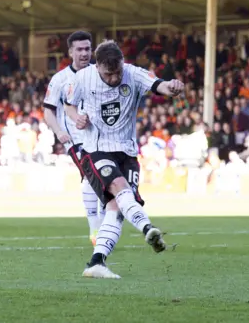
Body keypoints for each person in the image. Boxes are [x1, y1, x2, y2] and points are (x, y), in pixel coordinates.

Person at [66, 40, 184, 279]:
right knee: (120, 188)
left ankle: (96, 262)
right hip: (95, 149)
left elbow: (158, 84)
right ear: (97, 67)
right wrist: (77, 117)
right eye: (109, 74)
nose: (115, 78)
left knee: (116, 208)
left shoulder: (132, 73)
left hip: (127, 151)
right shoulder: (82, 78)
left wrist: (171, 86)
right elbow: (68, 105)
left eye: (118, 72)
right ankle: (148, 228)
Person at [43, 31, 104, 247]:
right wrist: (60, 132)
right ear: (70, 52)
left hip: (101, 137)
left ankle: (105, 227)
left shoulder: (100, 73)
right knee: (90, 178)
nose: (84, 53)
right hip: (75, 140)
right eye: (79, 49)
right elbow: (48, 111)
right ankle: (95, 229)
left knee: (106, 181)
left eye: (88, 49)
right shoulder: (60, 79)